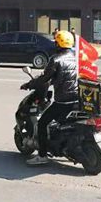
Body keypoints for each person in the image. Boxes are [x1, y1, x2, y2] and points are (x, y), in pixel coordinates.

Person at [21, 30, 79, 165]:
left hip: (62, 101)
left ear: (58, 44)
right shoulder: (75, 57)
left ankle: (42, 156)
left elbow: (44, 78)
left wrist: (29, 84)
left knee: (42, 123)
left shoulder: (55, 59)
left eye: (56, 42)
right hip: (76, 99)